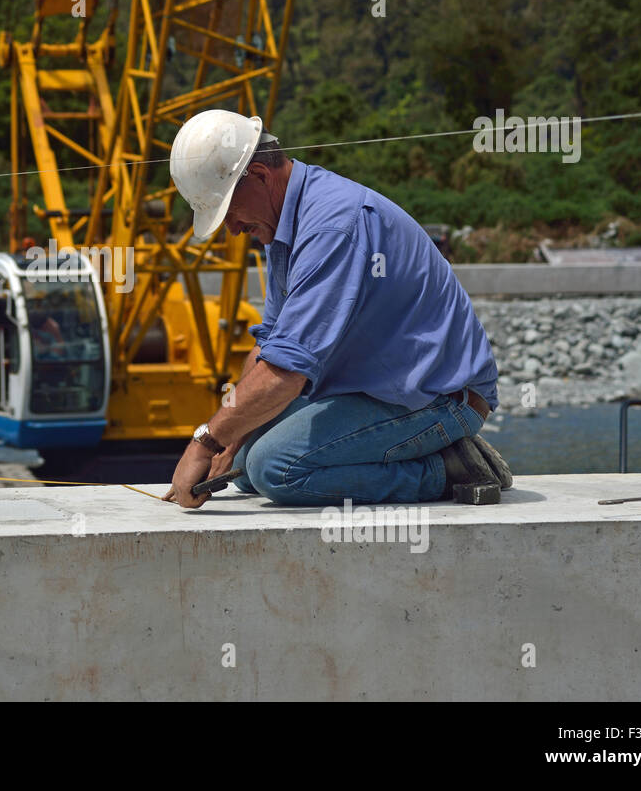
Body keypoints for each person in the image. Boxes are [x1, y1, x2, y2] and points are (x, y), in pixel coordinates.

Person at [161, 110, 512, 509]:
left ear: (259, 175)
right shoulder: (286, 229)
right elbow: (270, 350)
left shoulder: (332, 226)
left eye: (228, 212)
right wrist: (228, 442)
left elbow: (287, 374)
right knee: (240, 464)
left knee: (275, 469)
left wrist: (203, 443)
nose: (233, 230)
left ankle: (449, 468)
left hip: (440, 398)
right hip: (379, 389)